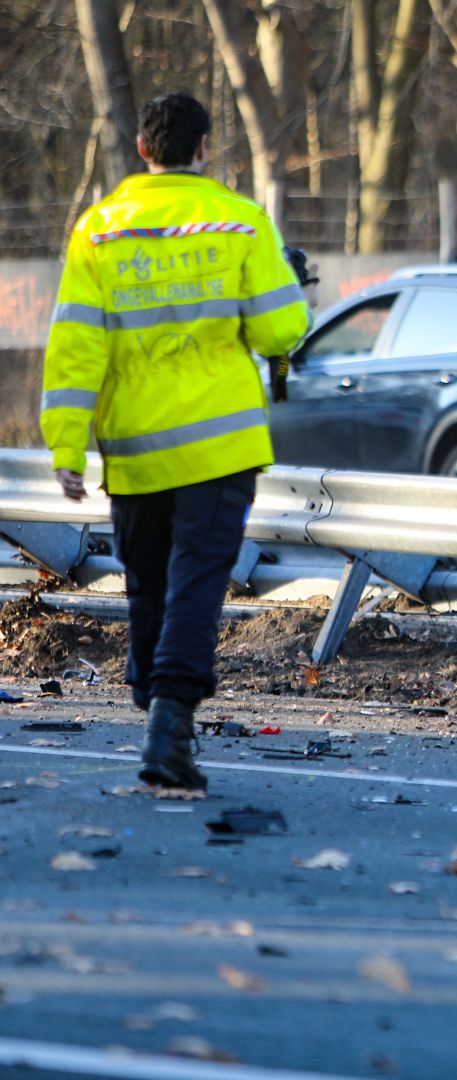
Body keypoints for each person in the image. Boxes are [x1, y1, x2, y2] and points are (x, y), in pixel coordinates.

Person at [40, 92, 310, 790]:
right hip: (221, 446)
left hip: (135, 449)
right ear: (202, 149)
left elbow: (74, 351)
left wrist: (67, 449)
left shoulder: (98, 232)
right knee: (197, 583)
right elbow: (283, 331)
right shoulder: (240, 222)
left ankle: (154, 695)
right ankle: (169, 721)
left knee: (149, 584)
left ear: (141, 148)